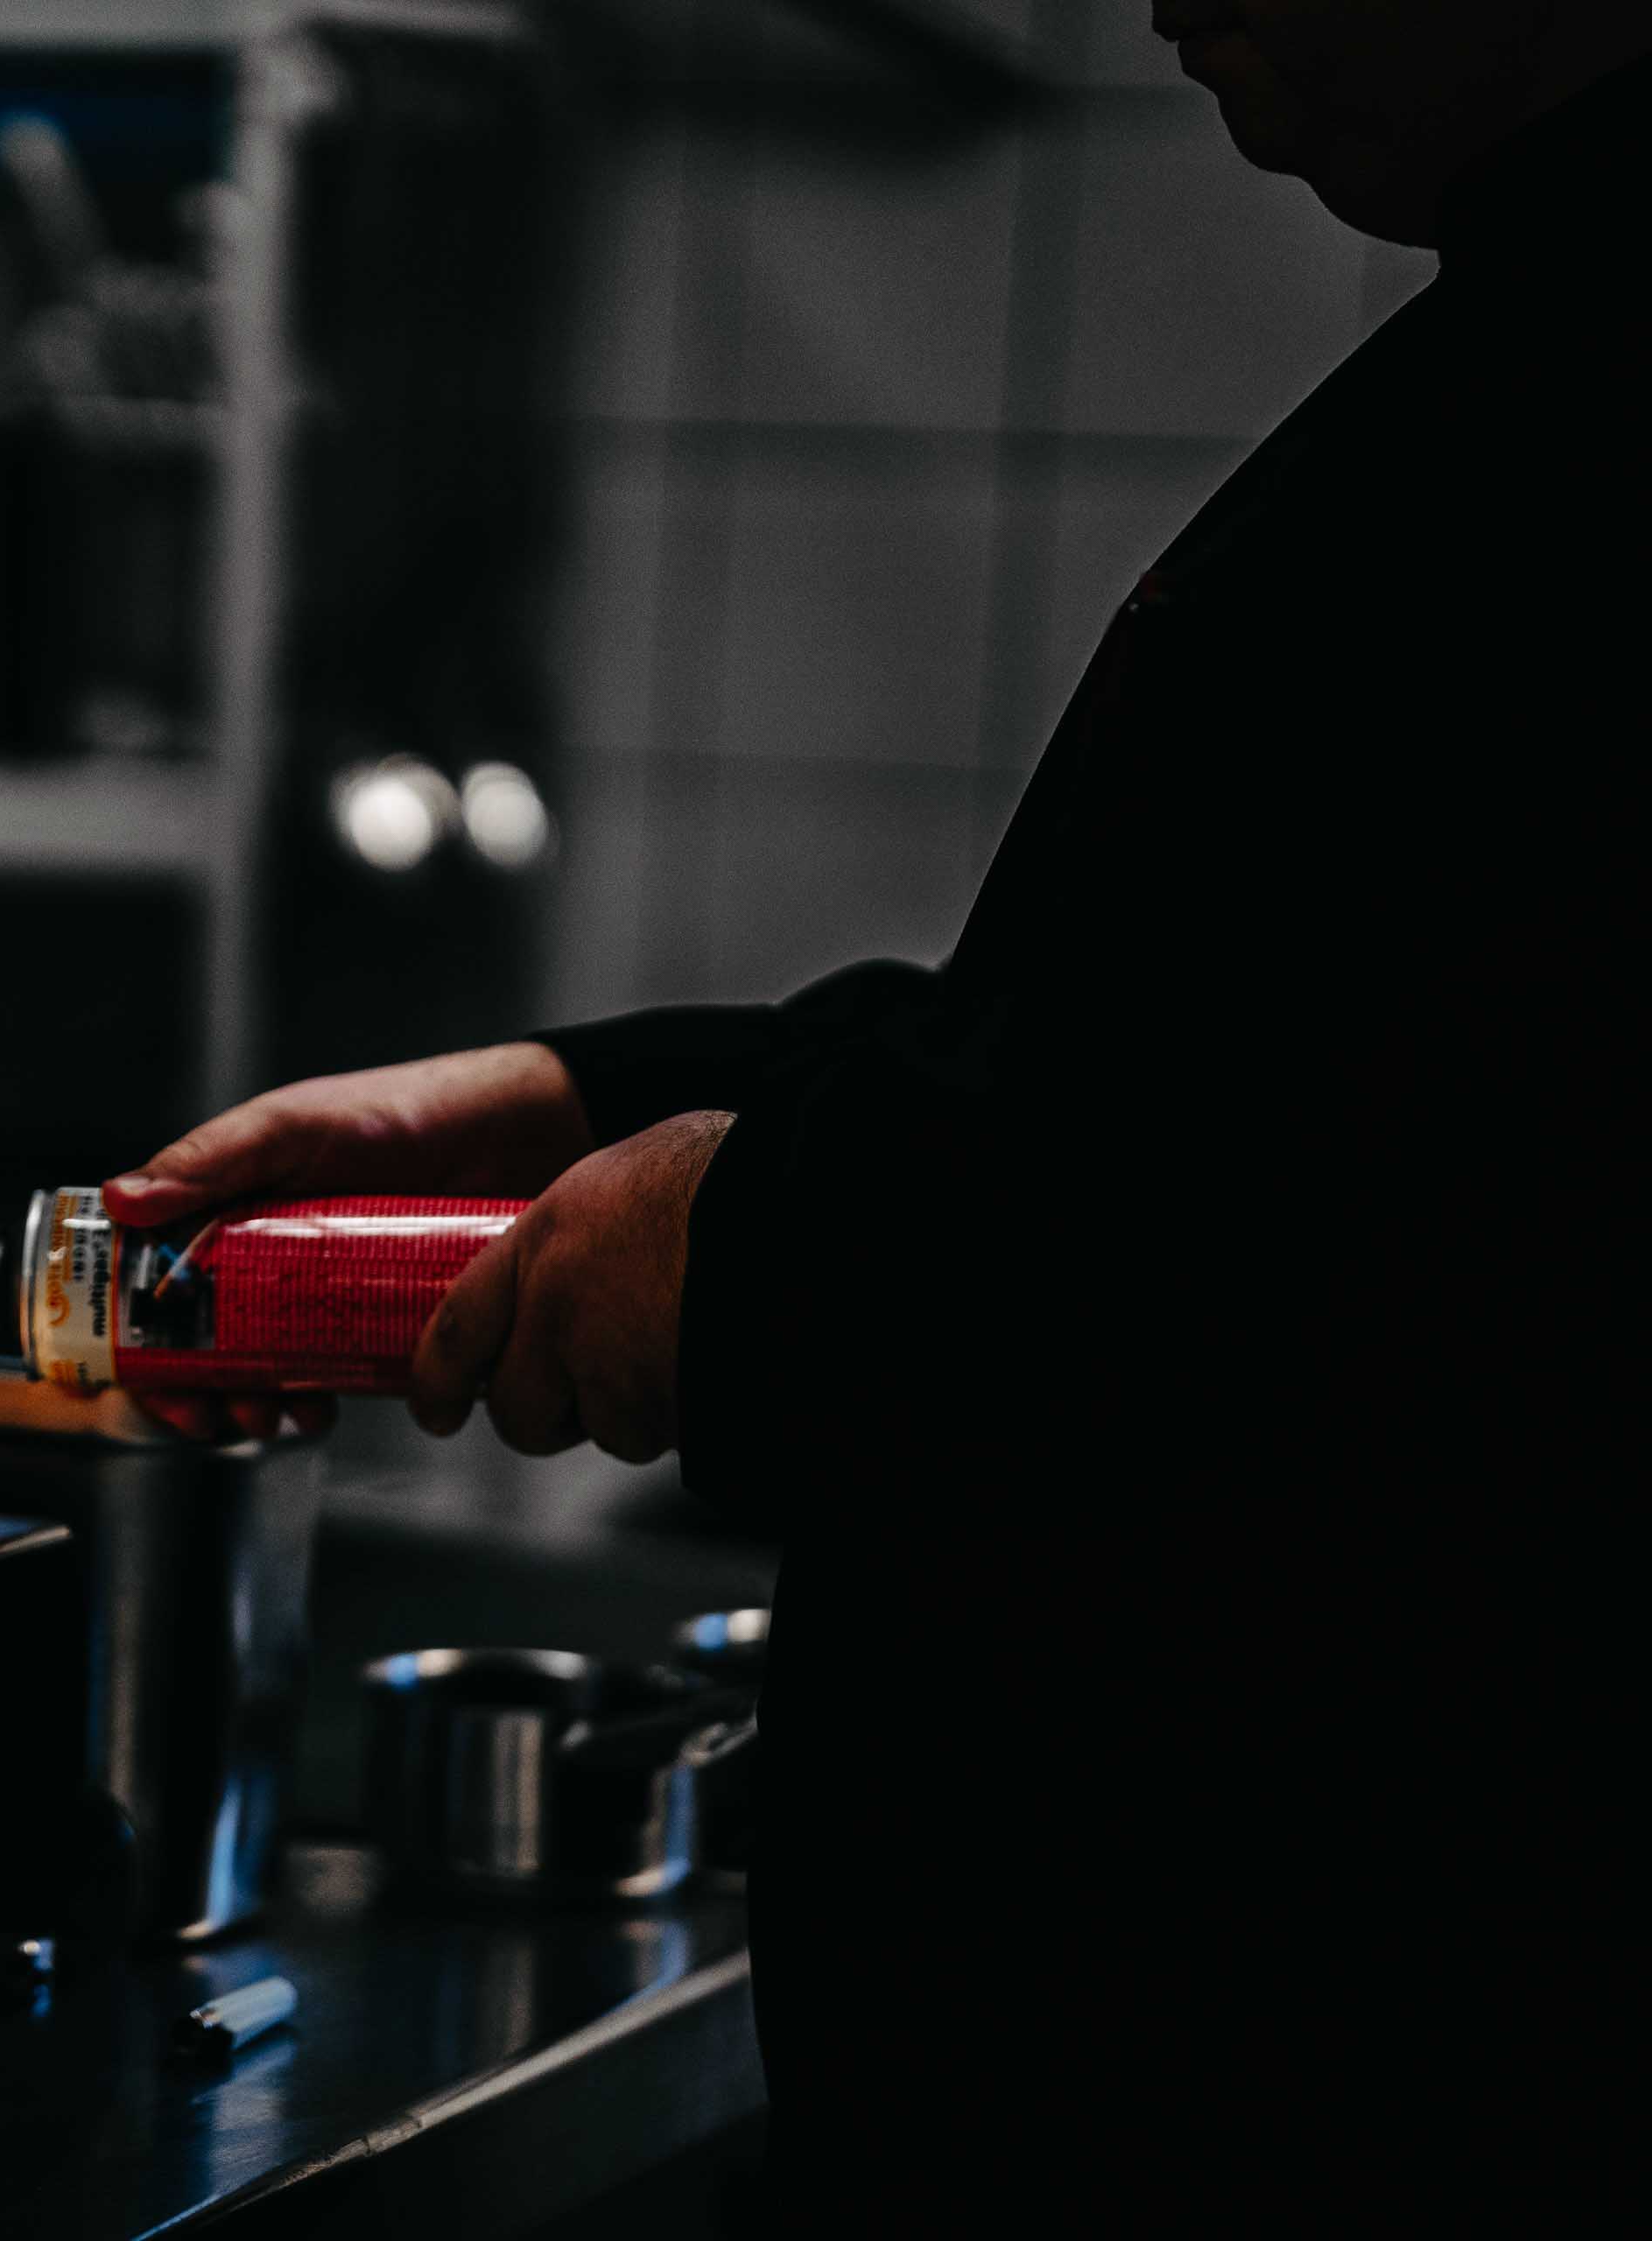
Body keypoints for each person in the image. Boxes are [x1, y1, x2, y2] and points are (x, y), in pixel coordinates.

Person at [108, 4, 1648, 2225]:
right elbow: (1184, 1055)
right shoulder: (1536, 327)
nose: (1161, 1)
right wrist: (577, 1102)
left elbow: (1363, 1244)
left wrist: (763, 1234)